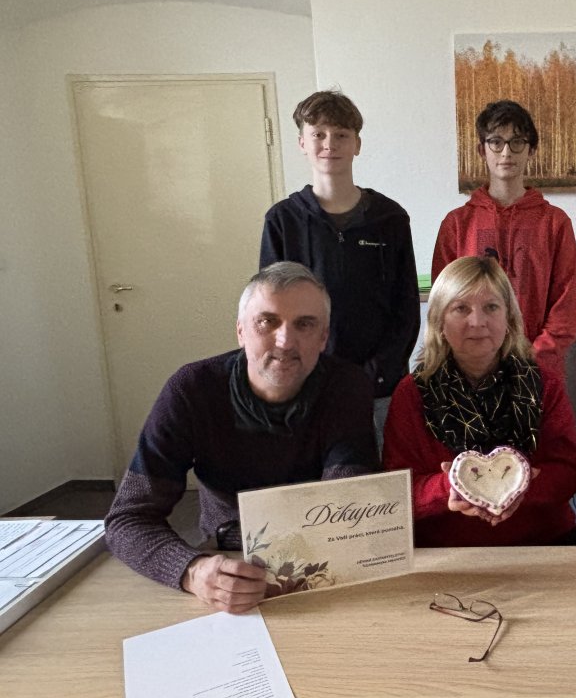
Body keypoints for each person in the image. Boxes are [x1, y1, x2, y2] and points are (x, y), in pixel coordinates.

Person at [105, 262, 380, 613]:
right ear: (240, 331)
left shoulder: (347, 387)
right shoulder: (192, 390)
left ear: (323, 338)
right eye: (267, 321)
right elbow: (127, 518)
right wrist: (191, 571)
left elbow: (345, 507)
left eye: (304, 324)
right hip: (227, 561)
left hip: (323, 561)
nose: (285, 341)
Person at [383, 256, 576, 547]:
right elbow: (396, 492)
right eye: (461, 308)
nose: (477, 322)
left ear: (509, 319)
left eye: (491, 307)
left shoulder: (544, 386)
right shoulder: (411, 394)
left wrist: (519, 486)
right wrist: (452, 486)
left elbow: (569, 473)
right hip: (447, 550)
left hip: (543, 542)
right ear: (439, 321)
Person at [260, 89, 420, 448]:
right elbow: (270, 312)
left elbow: (406, 308)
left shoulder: (390, 219)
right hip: (307, 387)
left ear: (357, 144)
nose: (329, 144)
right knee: (318, 479)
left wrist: (375, 375)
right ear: (302, 142)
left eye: (341, 135)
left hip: (380, 391)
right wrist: (304, 371)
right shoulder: (282, 221)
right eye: (318, 134)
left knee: (384, 478)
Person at [432, 99, 576, 375]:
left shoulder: (555, 223)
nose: (506, 152)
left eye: (517, 142)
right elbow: (443, 304)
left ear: (531, 150)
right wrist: (472, 357)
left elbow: (566, 306)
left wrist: (532, 358)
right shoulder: (457, 224)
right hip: (472, 370)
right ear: (482, 150)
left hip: (537, 370)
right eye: (496, 142)